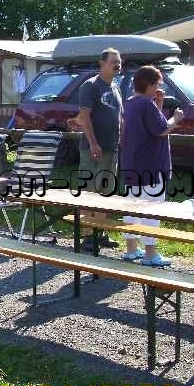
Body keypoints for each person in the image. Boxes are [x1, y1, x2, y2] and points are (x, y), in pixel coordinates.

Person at [119, 66, 184, 267]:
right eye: (157, 84)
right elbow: (161, 129)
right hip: (151, 167)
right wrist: (176, 118)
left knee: (132, 208)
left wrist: (159, 103)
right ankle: (150, 254)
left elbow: (150, 123)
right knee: (150, 210)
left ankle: (131, 249)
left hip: (132, 164)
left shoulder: (130, 103)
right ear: (148, 84)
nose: (158, 88)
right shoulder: (146, 104)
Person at [73, 47, 124, 249]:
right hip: (93, 149)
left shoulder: (116, 87)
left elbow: (120, 116)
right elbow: (84, 116)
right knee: (89, 191)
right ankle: (87, 236)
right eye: (113, 61)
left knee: (105, 192)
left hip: (112, 149)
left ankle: (100, 234)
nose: (117, 64)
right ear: (101, 64)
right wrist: (93, 143)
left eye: (119, 61)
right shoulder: (91, 86)